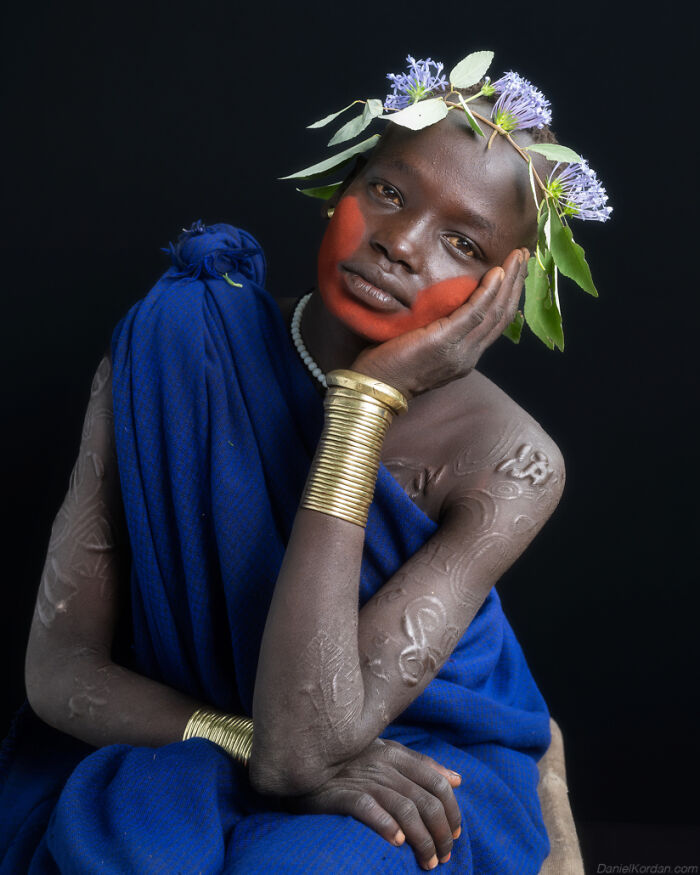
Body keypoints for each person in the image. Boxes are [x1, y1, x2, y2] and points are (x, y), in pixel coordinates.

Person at [0, 58, 596, 873]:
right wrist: (238, 735)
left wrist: (362, 408)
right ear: (341, 185)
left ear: (505, 289)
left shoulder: (514, 460)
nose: (401, 242)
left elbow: (308, 741)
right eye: (389, 192)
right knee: (138, 847)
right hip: (183, 726)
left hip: (416, 753)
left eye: (462, 241)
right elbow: (59, 670)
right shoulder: (180, 343)